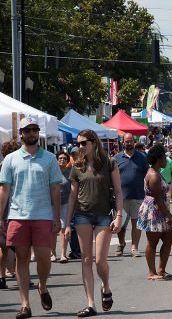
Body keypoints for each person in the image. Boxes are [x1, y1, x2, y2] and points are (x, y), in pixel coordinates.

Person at [0, 117, 62, 319]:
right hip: (17, 216)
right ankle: (24, 304)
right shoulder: (10, 159)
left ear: (38, 132)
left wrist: (56, 216)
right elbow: (4, 190)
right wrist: (0, 216)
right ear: (21, 134)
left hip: (43, 215)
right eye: (27, 130)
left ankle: (42, 286)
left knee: (44, 257)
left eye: (34, 129)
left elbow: (55, 189)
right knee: (22, 259)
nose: (31, 133)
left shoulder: (50, 159)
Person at [65, 129, 123, 317]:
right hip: (82, 215)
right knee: (86, 259)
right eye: (78, 143)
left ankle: (105, 286)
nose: (80, 146)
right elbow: (73, 196)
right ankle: (91, 304)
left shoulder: (109, 162)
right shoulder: (77, 165)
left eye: (83, 143)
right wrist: (67, 224)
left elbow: (119, 191)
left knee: (100, 261)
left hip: (103, 215)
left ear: (94, 143)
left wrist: (119, 216)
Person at [136, 144, 172, 280]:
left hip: (159, 209)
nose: (166, 160)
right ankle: (151, 272)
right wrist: (167, 215)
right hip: (154, 211)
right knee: (152, 242)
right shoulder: (154, 175)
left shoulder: (157, 172)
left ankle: (161, 270)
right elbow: (158, 199)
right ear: (159, 159)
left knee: (169, 238)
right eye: (164, 157)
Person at [114, 133, 149, 258]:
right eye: (126, 141)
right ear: (122, 142)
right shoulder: (116, 158)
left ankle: (135, 247)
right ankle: (121, 243)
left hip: (138, 196)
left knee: (136, 224)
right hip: (120, 197)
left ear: (134, 142)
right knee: (121, 226)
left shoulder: (142, 157)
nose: (129, 143)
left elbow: (147, 175)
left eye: (131, 141)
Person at [0, 139, 22, 289]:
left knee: (3, 246)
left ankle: (2, 277)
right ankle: (21, 274)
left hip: (6, 208)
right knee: (19, 246)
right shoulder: (15, 166)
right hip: (13, 209)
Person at [53, 152, 72, 264]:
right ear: (56, 160)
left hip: (65, 203)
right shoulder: (52, 172)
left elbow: (73, 190)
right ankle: (52, 253)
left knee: (63, 228)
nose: (62, 160)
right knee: (52, 229)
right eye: (60, 158)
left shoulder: (70, 173)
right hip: (52, 203)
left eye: (65, 158)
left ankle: (63, 254)